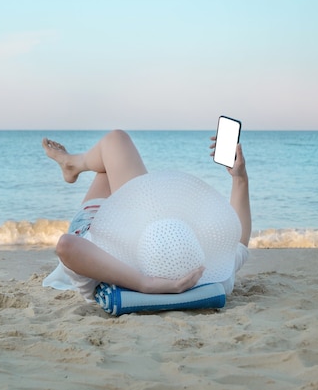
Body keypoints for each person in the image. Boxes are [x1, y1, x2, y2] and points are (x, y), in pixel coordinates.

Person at [42, 129, 251, 302]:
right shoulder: (212, 275)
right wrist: (239, 177)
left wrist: (146, 284)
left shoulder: (109, 271)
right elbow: (238, 239)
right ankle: (73, 164)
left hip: (94, 226)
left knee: (115, 142)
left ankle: (72, 164)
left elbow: (67, 246)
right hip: (141, 220)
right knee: (115, 145)